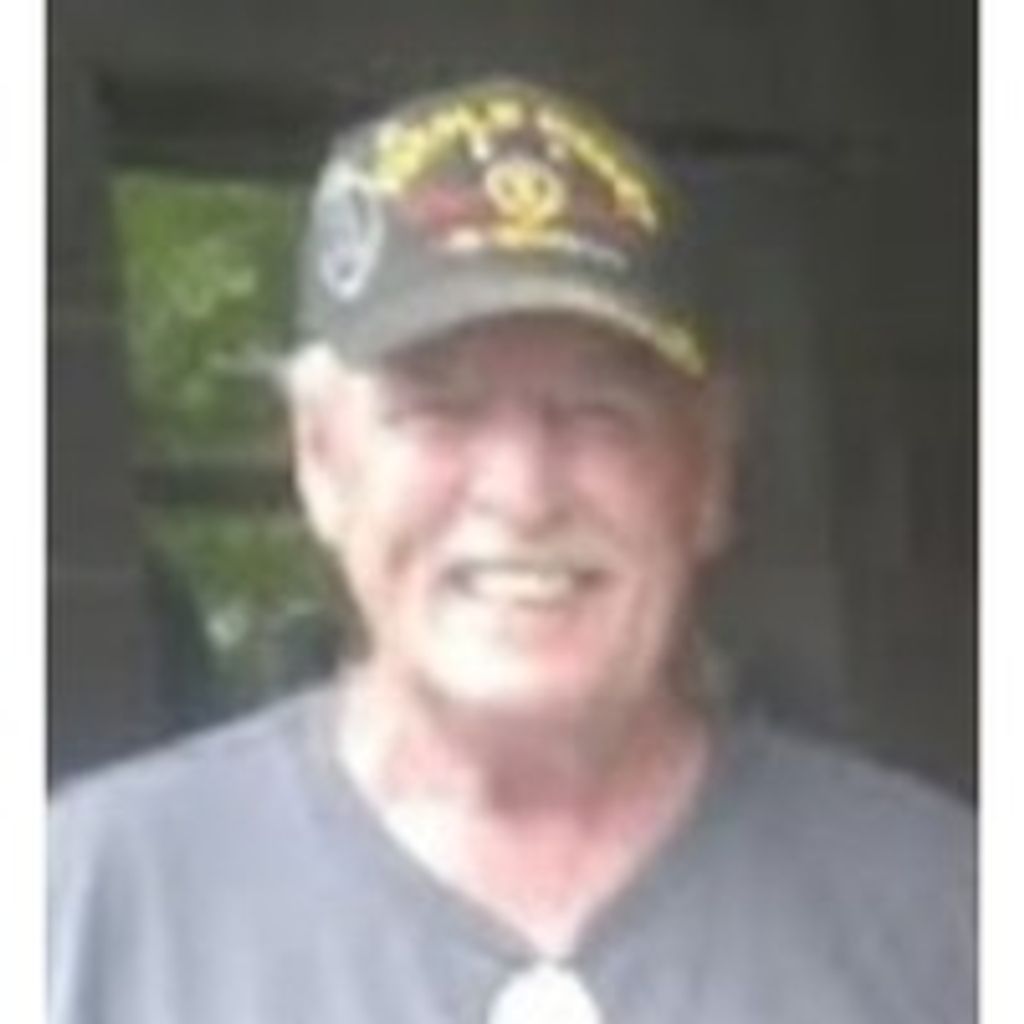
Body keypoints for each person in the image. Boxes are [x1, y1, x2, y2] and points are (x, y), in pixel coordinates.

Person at [48, 77, 975, 1024]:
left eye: (600, 412)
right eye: (439, 408)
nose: (524, 493)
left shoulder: (949, 912)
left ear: (705, 473)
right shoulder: (83, 905)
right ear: (321, 460)